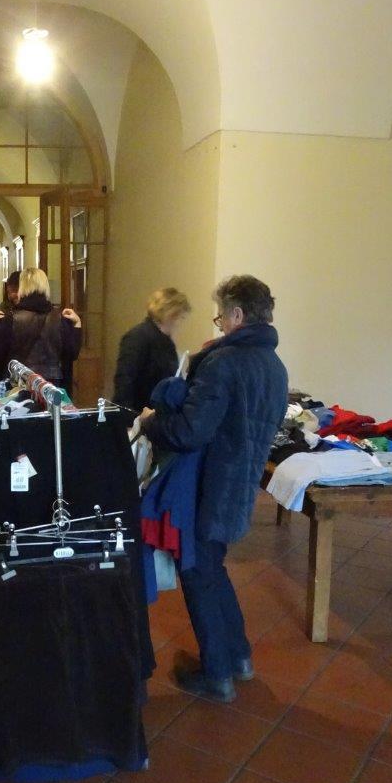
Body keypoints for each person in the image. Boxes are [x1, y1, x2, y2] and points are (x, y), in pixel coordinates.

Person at [139, 275, 288, 703]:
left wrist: (152, 422)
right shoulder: (274, 365)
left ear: (237, 314)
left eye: (221, 316)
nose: (219, 324)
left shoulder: (224, 363)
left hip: (207, 486)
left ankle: (217, 674)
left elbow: (190, 431)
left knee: (197, 572)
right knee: (212, 568)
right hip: (238, 484)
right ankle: (238, 657)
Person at [0, 267, 82, 390]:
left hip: (18, 386)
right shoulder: (59, 318)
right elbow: (72, 354)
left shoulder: (10, 319)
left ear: (22, 287)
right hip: (51, 386)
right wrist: (77, 324)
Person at [113, 288, 191, 411]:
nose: (180, 323)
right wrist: (126, 416)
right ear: (171, 315)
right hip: (139, 411)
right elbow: (125, 381)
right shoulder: (137, 337)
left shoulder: (166, 341)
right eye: (181, 317)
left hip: (156, 412)